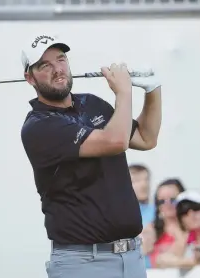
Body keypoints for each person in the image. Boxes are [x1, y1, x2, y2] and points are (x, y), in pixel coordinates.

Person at [20, 33, 162, 278]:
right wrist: (124, 92)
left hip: (132, 257)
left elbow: (146, 138)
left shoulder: (92, 103)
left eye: (61, 59)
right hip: (83, 263)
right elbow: (115, 141)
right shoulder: (38, 127)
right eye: (45, 65)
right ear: (30, 77)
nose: (57, 69)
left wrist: (153, 90)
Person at [149, 179, 195, 268]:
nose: (167, 204)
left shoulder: (193, 227)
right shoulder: (151, 230)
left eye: (173, 199)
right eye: (162, 201)